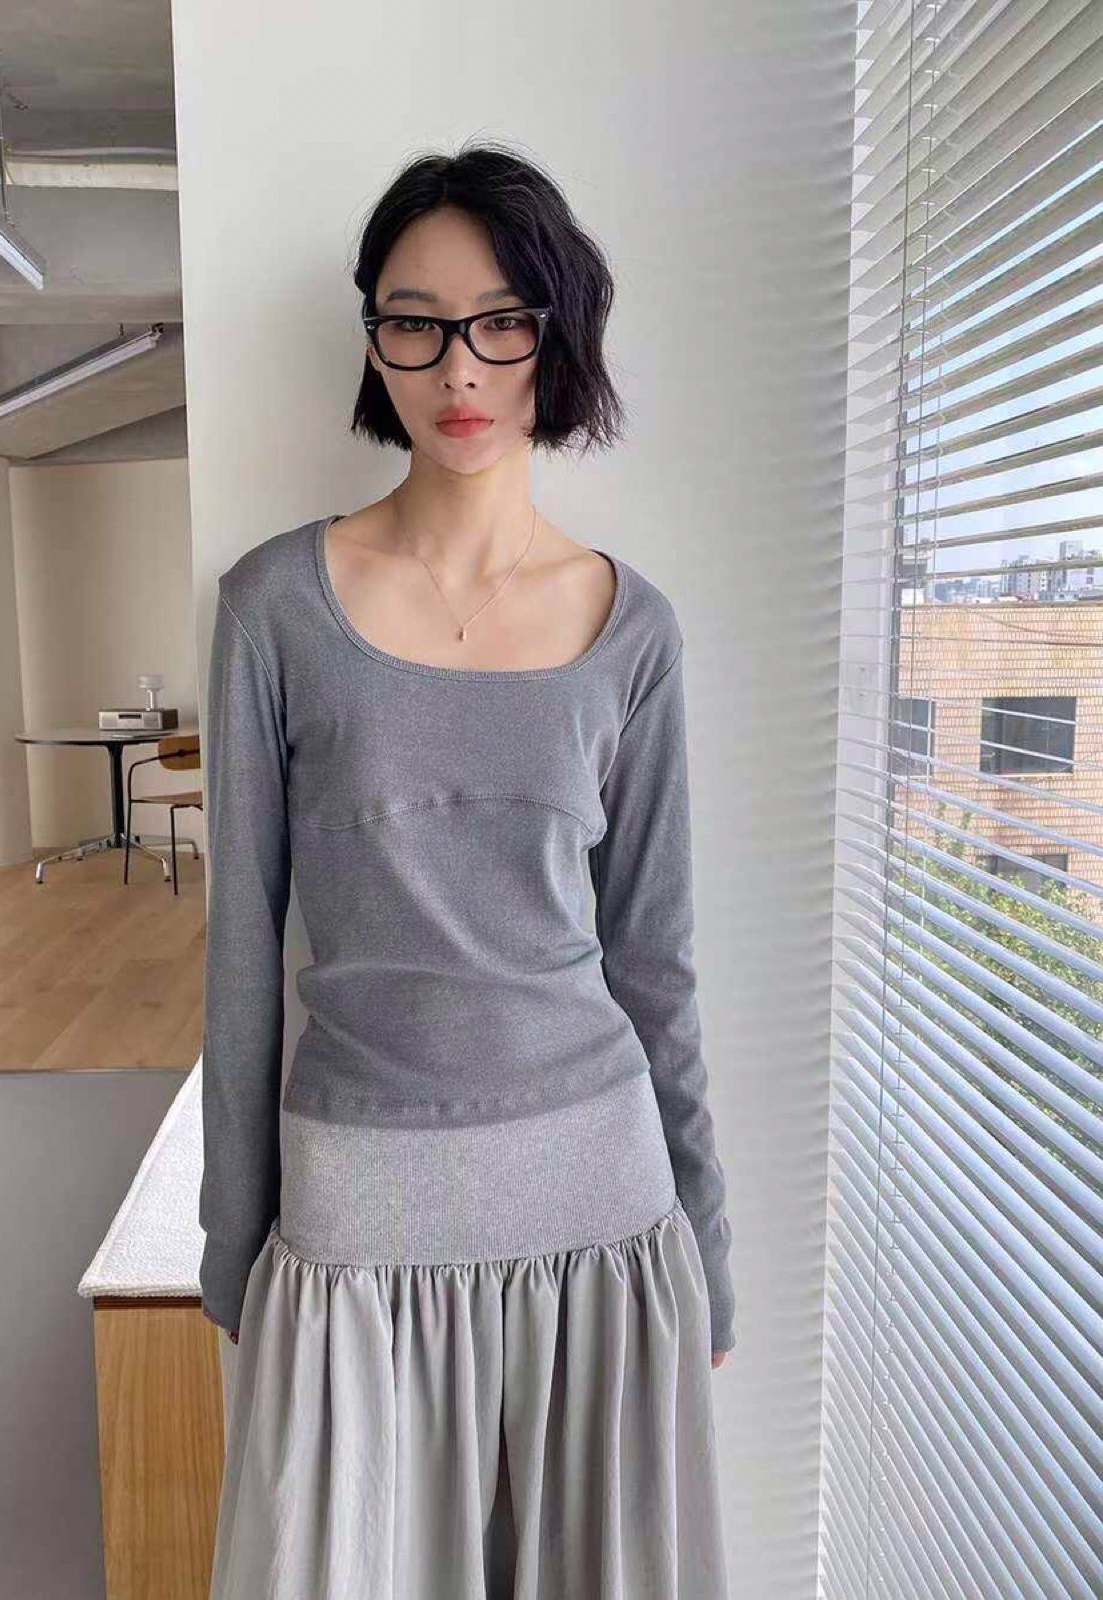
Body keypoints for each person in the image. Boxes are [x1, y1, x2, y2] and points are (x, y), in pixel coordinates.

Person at [199, 140, 735, 1599]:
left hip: (602, 1210)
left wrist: (706, 1235)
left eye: (503, 322)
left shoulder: (633, 631)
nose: (460, 369)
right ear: (374, 338)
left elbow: (656, 961)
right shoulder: (273, 608)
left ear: (559, 336)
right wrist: (233, 1237)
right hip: (357, 1210)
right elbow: (241, 948)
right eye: (416, 323)